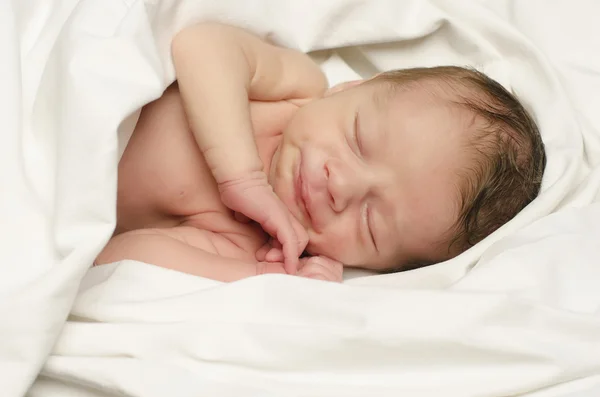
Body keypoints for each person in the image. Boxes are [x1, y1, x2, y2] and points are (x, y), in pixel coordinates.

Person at [94, 22, 546, 283]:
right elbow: (200, 45)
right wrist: (242, 177)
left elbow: (113, 258)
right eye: (358, 139)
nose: (342, 186)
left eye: (371, 222)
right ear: (351, 88)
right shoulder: (295, 88)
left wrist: (263, 281)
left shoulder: (250, 247)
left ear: (371, 265)